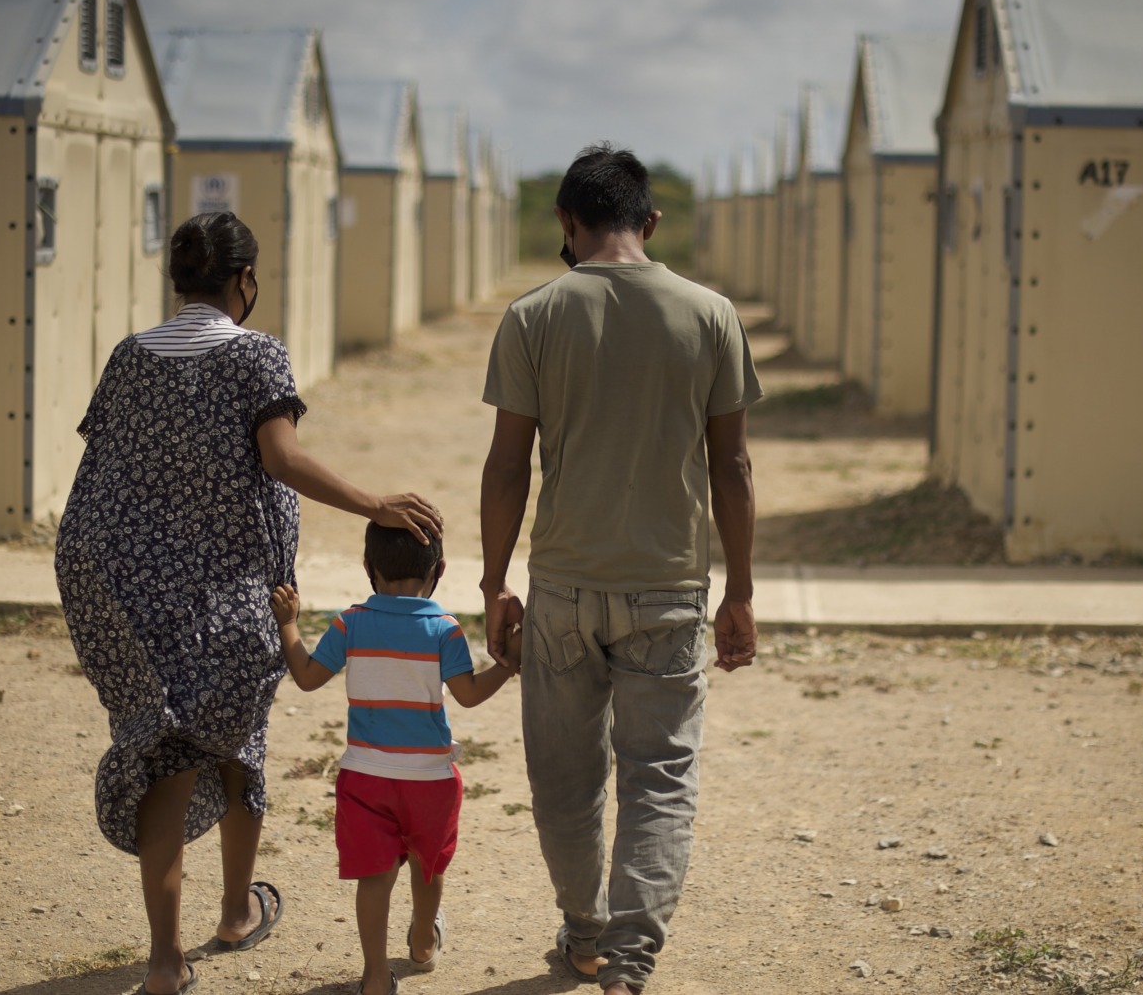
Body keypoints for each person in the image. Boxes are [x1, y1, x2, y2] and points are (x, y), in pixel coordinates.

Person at [55, 211, 442, 995]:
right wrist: (374, 504)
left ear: (176, 279)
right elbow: (281, 456)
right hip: (228, 596)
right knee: (239, 745)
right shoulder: (256, 353)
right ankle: (231, 913)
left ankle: (166, 961)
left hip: (129, 593)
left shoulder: (130, 355)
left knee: (165, 757)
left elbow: (106, 470)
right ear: (245, 280)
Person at [478, 144, 761, 995]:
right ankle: (628, 963)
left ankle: (585, 933)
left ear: (566, 221)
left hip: (563, 587)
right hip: (668, 588)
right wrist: (739, 591)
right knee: (659, 780)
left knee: (564, 782)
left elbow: (506, 466)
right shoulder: (710, 315)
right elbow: (731, 467)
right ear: (651, 220)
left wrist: (495, 583)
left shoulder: (532, 315)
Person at [269, 523, 521, 995]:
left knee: (374, 878)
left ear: (369, 568)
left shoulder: (350, 622)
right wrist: (509, 664)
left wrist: (288, 623)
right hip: (431, 780)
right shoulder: (444, 629)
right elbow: (468, 695)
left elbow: (306, 677)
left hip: (364, 777)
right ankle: (423, 942)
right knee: (428, 867)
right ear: (439, 570)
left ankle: (374, 977)